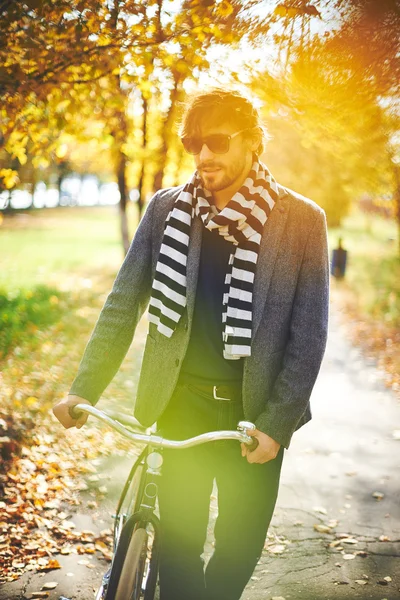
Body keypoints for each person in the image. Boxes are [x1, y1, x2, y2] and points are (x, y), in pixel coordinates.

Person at [53, 87, 329, 600]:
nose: (204, 155)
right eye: (193, 143)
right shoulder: (166, 210)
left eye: (218, 142)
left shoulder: (302, 221)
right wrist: (83, 387)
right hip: (179, 407)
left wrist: (275, 425)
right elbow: (122, 304)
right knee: (178, 550)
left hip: (255, 419)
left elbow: (308, 335)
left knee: (237, 552)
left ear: (253, 143)